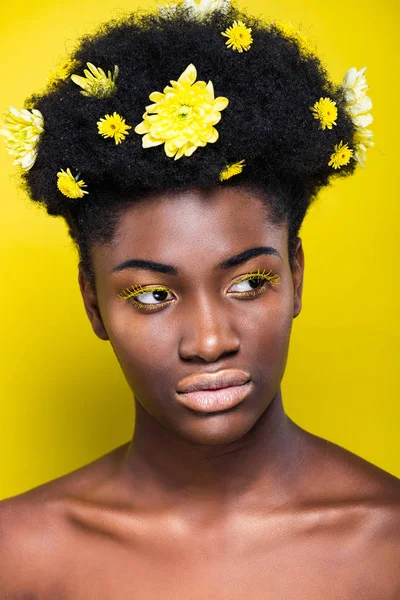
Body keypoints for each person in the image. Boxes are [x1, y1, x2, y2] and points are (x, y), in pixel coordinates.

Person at [0, 1, 399, 597]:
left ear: (295, 274)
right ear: (92, 304)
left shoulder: (388, 549)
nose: (211, 341)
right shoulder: (17, 555)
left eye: (249, 283)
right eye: (154, 294)